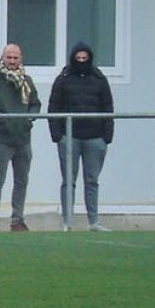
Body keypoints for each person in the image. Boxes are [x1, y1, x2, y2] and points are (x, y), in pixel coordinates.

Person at [48, 42, 115, 231]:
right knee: (69, 180)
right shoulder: (63, 79)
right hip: (70, 138)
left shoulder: (99, 79)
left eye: (85, 58)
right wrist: (58, 136)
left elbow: (108, 107)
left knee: (92, 180)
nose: (82, 61)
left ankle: (93, 221)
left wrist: (106, 137)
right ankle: (68, 222)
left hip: (95, 138)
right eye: (78, 58)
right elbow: (53, 107)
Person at [0, 43, 42, 231]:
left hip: (23, 138)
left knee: (22, 180)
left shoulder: (27, 81)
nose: (12, 61)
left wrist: (30, 118)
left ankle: (17, 219)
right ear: (3, 58)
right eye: (9, 57)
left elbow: (35, 104)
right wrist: (1, 119)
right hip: (2, 139)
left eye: (15, 58)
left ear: (20, 59)